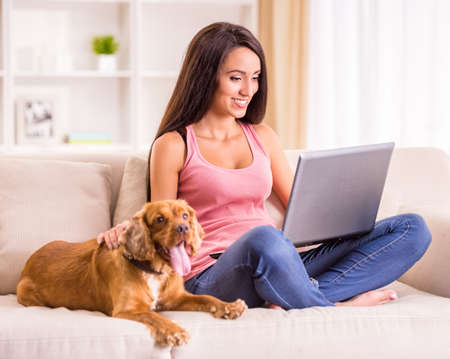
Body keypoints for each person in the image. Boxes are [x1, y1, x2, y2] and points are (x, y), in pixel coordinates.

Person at [98, 22, 432, 309]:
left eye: (255, 77)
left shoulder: (262, 136)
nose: (249, 90)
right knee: (264, 240)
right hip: (210, 274)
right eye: (236, 78)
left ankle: (296, 295)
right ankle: (332, 306)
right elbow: (163, 227)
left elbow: (299, 212)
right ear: (206, 77)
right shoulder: (174, 144)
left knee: (412, 229)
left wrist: (343, 213)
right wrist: (129, 228)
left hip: (280, 261)